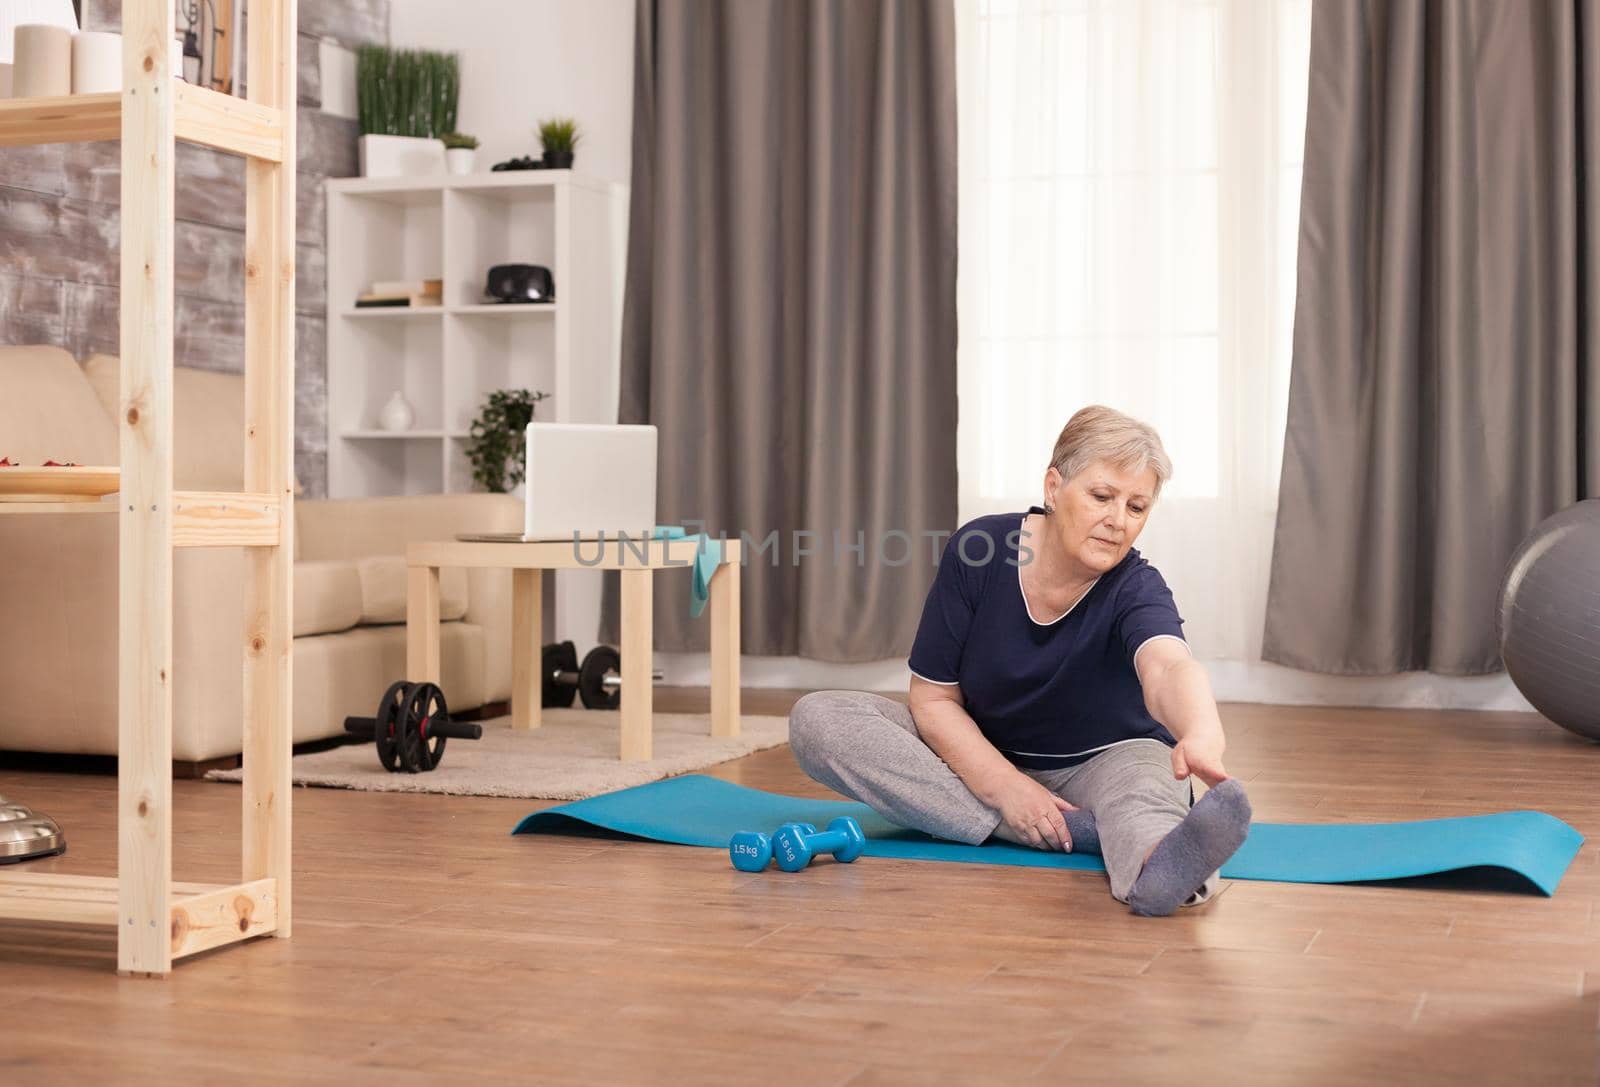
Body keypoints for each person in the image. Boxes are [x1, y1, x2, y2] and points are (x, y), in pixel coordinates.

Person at [788, 405, 1251, 915]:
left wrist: (1201, 731)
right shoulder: (979, 551)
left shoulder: (1137, 586)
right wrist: (1006, 788)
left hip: (1109, 759)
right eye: (1102, 497)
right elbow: (934, 698)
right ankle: (1071, 830)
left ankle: (1157, 867)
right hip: (978, 755)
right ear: (1054, 488)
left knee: (1145, 792)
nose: (1118, 521)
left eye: (1137, 507)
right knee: (820, 719)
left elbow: (1167, 667)